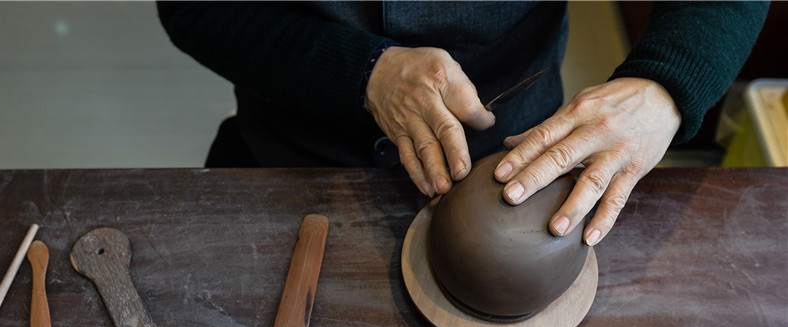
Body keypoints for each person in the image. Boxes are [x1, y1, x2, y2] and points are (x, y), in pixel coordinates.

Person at [157, 2, 768, 246]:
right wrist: (362, 71)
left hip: (520, 153)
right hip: (292, 151)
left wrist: (665, 85)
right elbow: (195, 8)